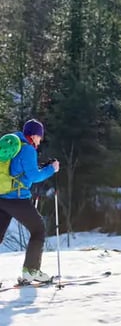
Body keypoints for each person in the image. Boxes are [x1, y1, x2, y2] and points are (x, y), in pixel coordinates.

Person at [0, 119, 60, 281]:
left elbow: (18, 171)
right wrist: (51, 169)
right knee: (38, 230)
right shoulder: (28, 150)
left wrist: (41, 167)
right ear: (34, 135)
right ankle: (31, 271)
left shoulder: (13, 144)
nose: (40, 141)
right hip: (17, 199)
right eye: (40, 137)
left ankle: (30, 270)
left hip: (1, 197)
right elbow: (34, 176)